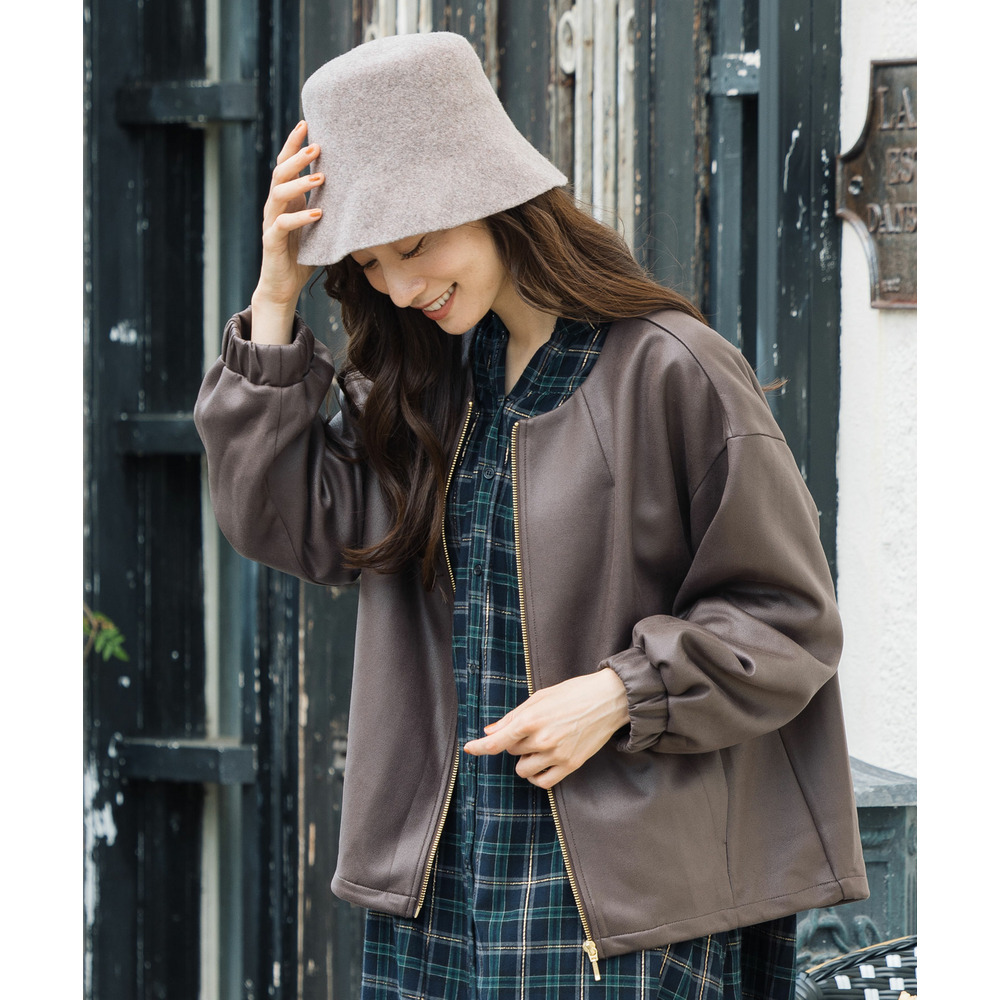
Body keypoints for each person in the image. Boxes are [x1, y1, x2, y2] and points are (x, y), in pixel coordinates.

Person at [195, 30, 868, 1000]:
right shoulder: (421, 388)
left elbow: (789, 621)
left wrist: (621, 693)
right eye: (371, 263)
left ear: (494, 198)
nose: (401, 288)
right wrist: (274, 294)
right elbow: (279, 518)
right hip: (439, 895)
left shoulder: (669, 369)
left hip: (619, 903)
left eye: (415, 245)